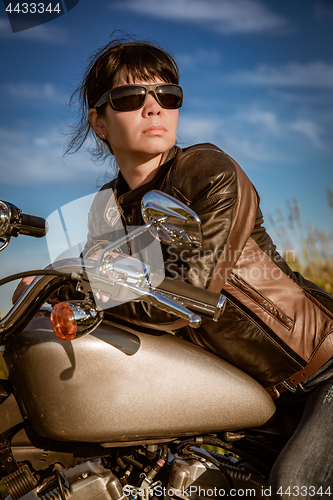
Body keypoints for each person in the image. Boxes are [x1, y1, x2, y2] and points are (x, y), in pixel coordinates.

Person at [15, 35, 333, 498]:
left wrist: (78, 289)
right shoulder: (106, 210)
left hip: (321, 372)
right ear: (98, 122)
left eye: (167, 96)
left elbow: (187, 300)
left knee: (297, 486)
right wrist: (49, 289)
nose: (154, 108)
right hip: (253, 396)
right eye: (129, 98)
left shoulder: (208, 172)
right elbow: (108, 289)